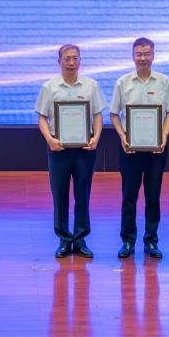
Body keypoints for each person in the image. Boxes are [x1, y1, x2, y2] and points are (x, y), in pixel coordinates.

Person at [36, 44, 106, 258]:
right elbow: (42, 118)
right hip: (58, 149)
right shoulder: (49, 87)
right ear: (59, 62)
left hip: (85, 148)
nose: (71, 62)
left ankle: (81, 239)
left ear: (80, 61)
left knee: (83, 194)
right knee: (60, 194)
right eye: (67, 58)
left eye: (75, 58)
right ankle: (64, 240)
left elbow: (97, 115)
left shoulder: (91, 85)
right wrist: (49, 139)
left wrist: (96, 137)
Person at [110, 37, 169, 259]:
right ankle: (128, 241)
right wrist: (123, 136)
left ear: (153, 56)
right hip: (130, 150)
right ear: (133, 56)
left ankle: (151, 241)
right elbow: (114, 114)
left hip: (157, 150)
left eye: (147, 54)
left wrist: (164, 136)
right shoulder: (123, 82)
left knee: (153, 197)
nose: (143, 58)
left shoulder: (164, 82)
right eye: (139, 54)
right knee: (129, 197)